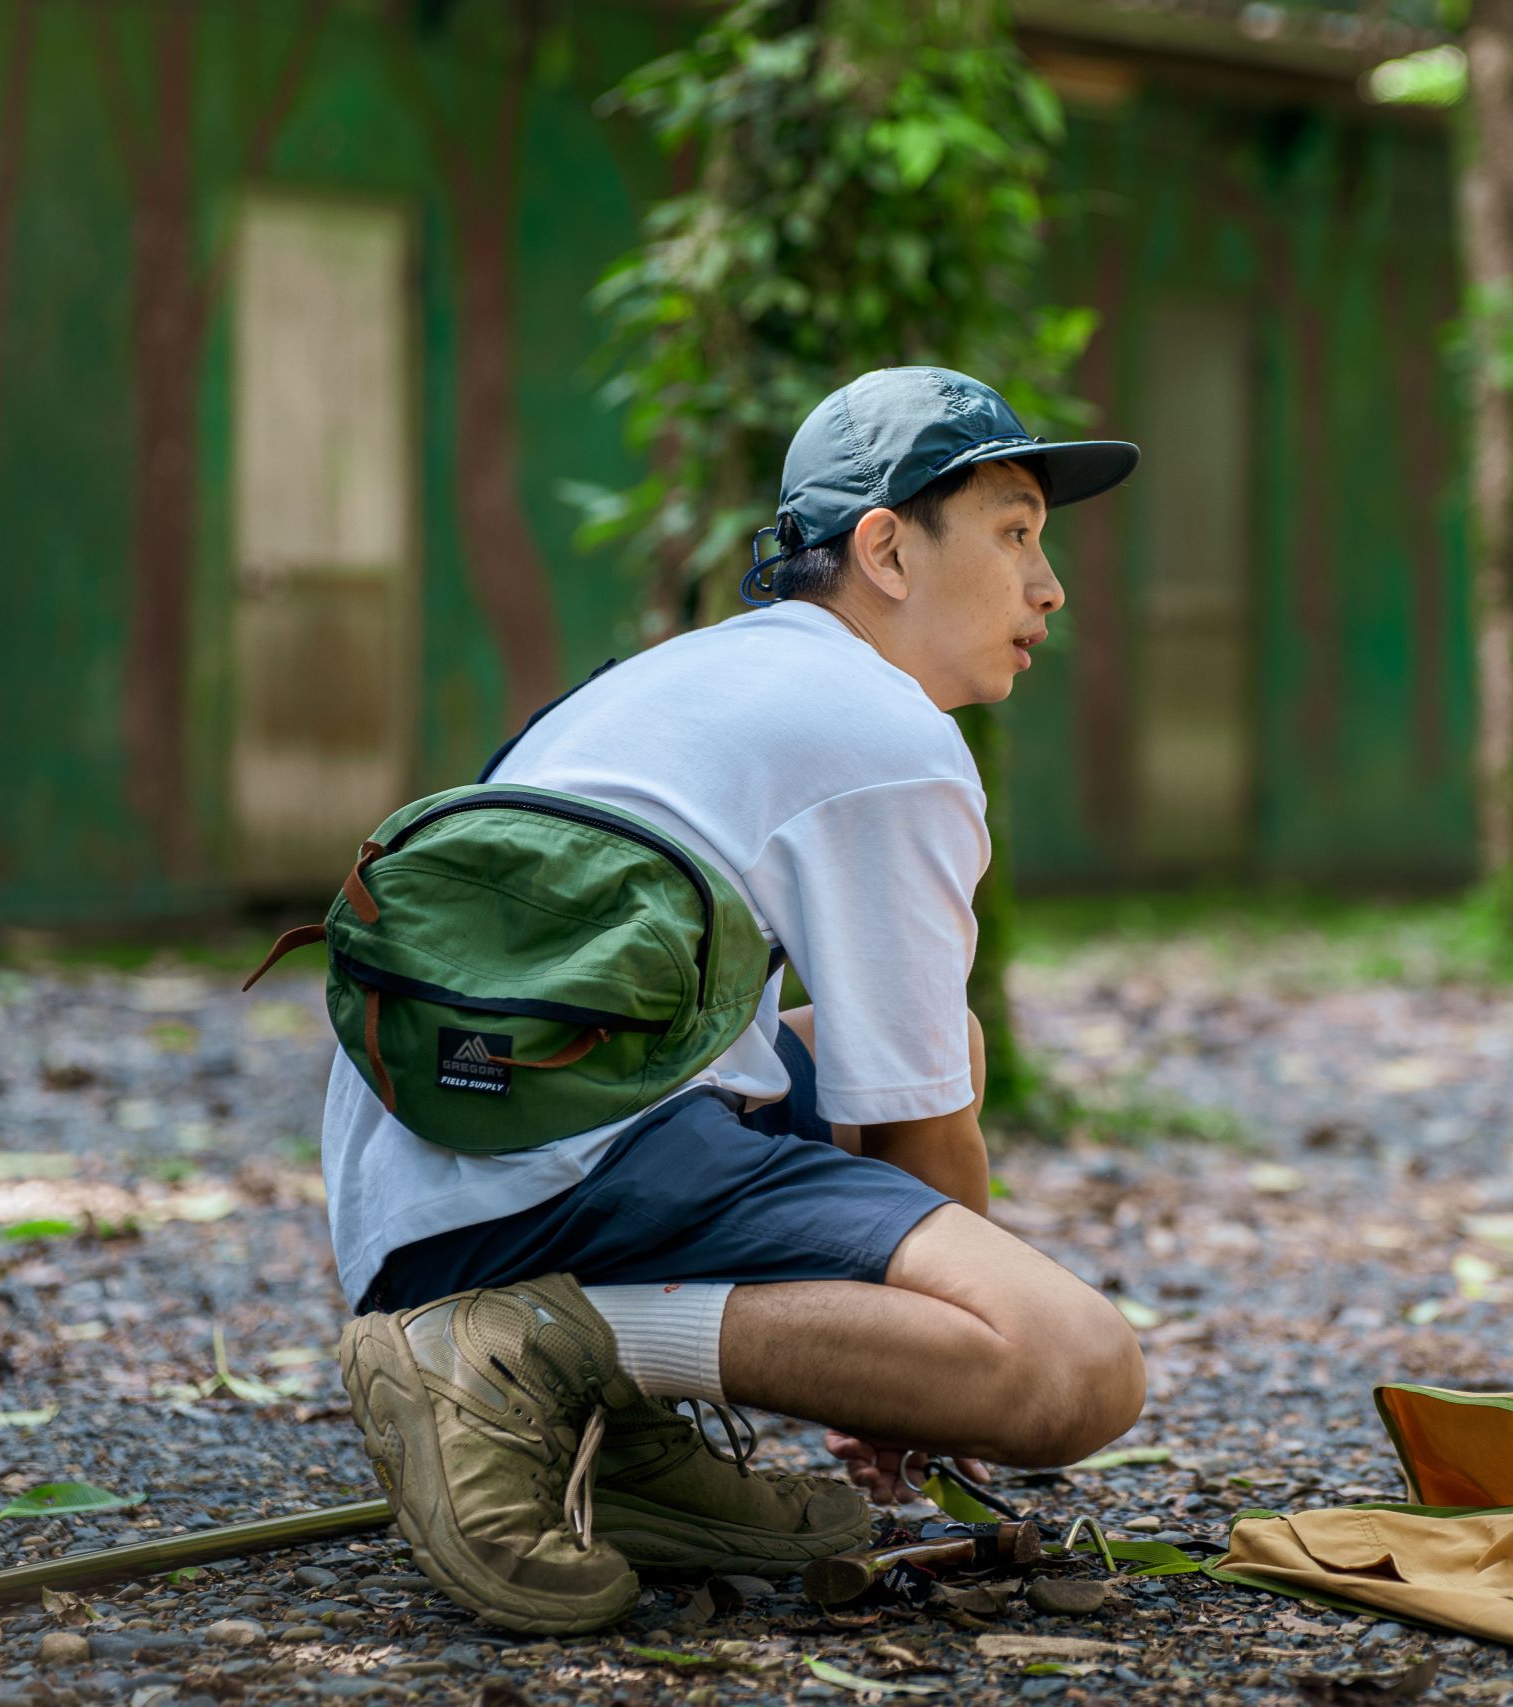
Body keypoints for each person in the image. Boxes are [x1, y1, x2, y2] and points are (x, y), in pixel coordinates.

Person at [321, 367, 1147, 1634]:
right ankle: (530, 1353)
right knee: (1073, 1370)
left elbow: (909, 1072)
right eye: (1015, 534)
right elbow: (920, 1130)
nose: (1049, 587)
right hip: (534, 1185)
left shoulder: (692, 670)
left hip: (424, 1186)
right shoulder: (888, 737)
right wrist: (920, 1377)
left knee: (950, 1045)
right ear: (887, 550)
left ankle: (608, 1434)